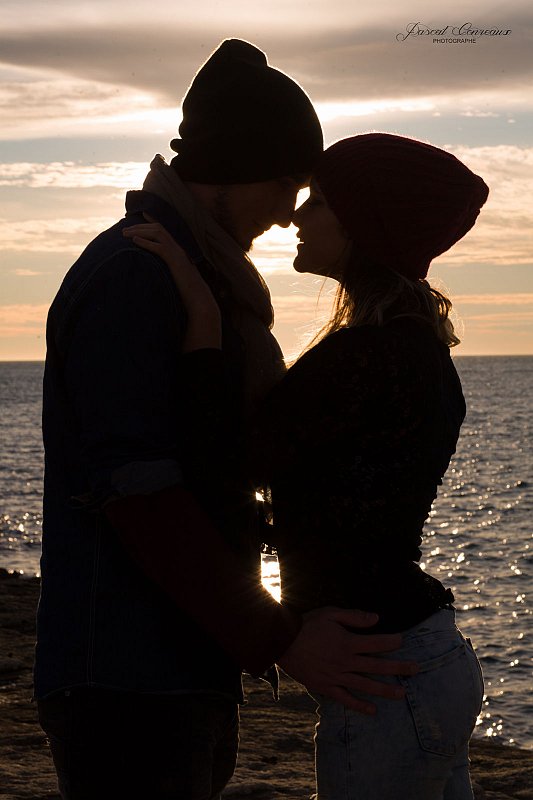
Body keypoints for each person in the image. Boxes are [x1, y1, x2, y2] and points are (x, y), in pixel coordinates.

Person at [35, 40, 417, 800]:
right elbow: (137, 489)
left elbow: (219, 461)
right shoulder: (136, 277)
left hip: (178, 663)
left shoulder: (196, 281)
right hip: (125, 676)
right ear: (235, 169)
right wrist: (275, 637)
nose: (287, 213)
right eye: (283, 184)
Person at [123, 132, 489, 800]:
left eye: (317, 202)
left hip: (386, 672)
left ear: (361, 225)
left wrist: (203, 316)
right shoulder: (403, 350)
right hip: (412, 660)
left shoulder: (368, 357)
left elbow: (224, 459)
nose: (296, 215)